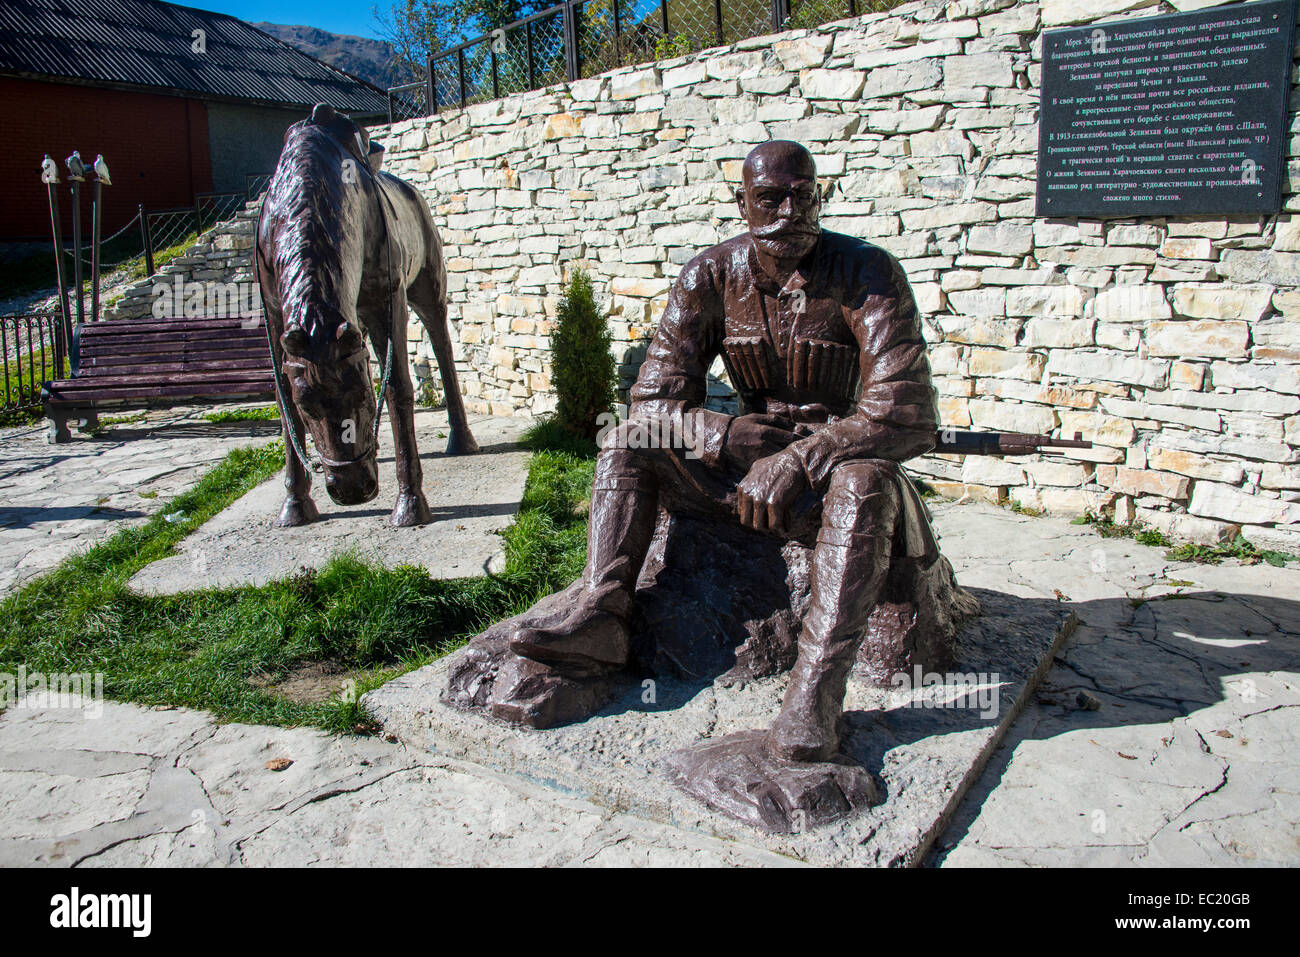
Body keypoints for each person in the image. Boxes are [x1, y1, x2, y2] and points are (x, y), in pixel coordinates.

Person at [512, 140, 941, 763]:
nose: (789, 212)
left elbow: (906, 414)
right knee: (627, 440)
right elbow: (652, 401)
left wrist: (801, 459)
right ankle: (602, 613)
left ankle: (815, 693)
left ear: (821, 197)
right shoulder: (709, 276)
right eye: (769, 198)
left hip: (840, 469)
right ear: (741, 203)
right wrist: (723, 433)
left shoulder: (869, 274)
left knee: (866, 481)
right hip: (742, 464)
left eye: (804, 195)